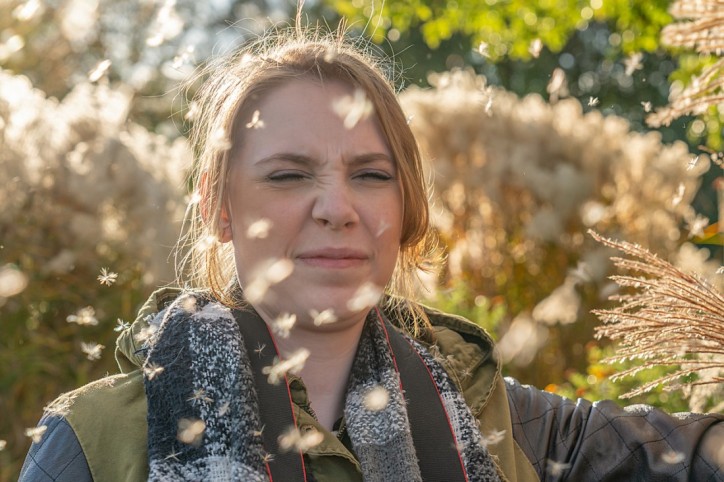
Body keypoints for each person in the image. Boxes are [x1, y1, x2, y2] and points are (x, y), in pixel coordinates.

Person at [20, 26, 723, 482]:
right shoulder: (94, 444)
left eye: (371, 175)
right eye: (289, 174)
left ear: (406, 208)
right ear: (217, 206)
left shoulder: (493, 417)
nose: (337, 207)